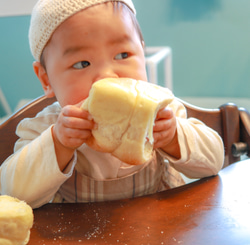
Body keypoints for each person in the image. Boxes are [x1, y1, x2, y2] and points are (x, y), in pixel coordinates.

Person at [0, 0, 224, 208]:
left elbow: (214, 161)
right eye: (82, 63)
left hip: (161, 231)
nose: (107, 77)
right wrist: (58, 144)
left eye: (123, 54)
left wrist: (174, 136)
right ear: (46, 80)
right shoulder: (46, 127)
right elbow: (12, 193)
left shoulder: (161, 112)